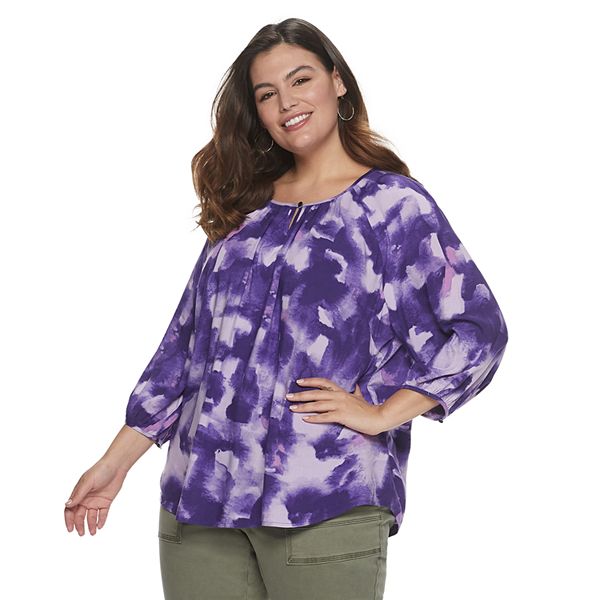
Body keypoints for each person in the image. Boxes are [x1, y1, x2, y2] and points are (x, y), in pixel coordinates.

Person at [64, 17, 509, 600]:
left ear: (337, 82)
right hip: (199, 502)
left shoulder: (392, 206)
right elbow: (184, 351)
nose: (287, 103)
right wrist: (115, 464)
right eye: (267, 93)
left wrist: (382, 412)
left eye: (301, 80)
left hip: (324, 499)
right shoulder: (244, 209)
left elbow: (478, 331)